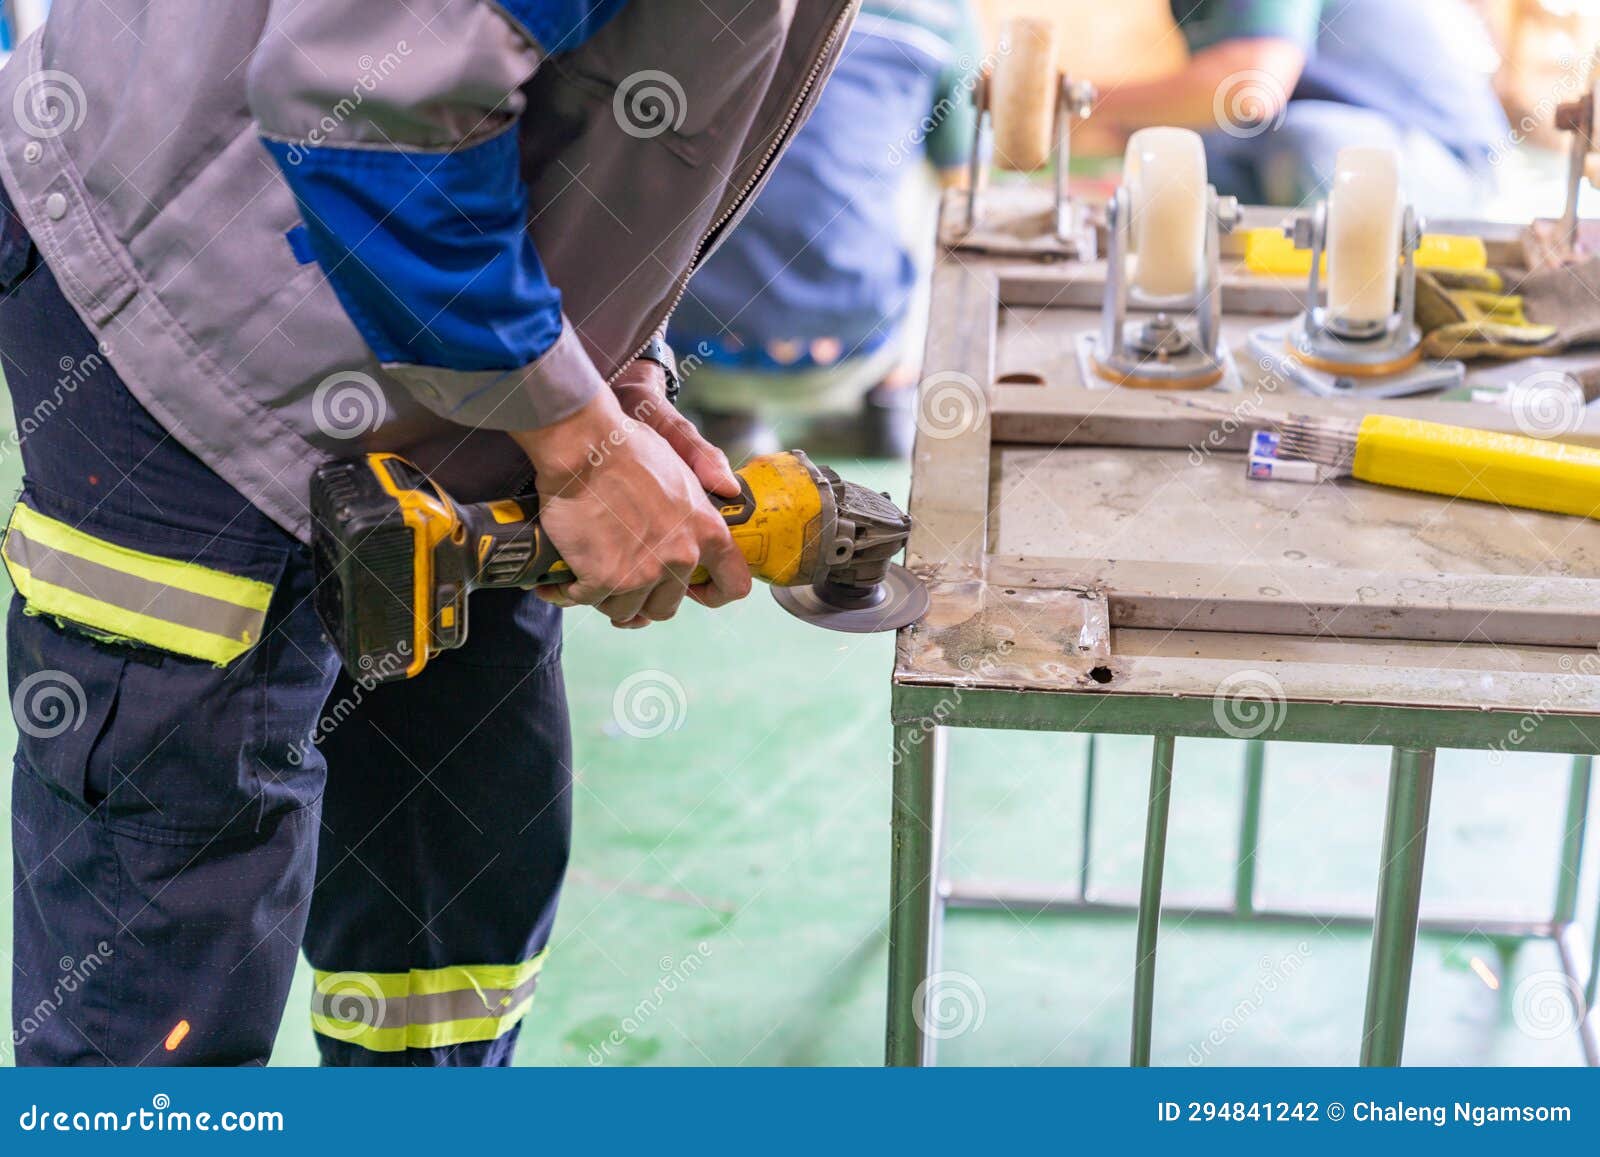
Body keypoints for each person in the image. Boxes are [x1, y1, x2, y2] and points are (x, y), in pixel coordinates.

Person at [0, 0, 856, 1066]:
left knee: (451, 883)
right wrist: (578, 438)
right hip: (189, 323)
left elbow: (598, 79)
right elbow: (358, 102)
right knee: (165, 956)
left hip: (448, 361)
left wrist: (609, 364)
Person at [668, 0, 982, 460]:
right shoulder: (945, 12)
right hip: (854, 343)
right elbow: (966, 184)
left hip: (681, 342)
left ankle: (728, 415)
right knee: (937, 184)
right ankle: (892, 389)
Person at [1093, 0, 1509, 215]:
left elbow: (1250, 89)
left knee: (1315, 149)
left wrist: (1078, 101)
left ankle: (1339, 326)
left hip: (1449, 169)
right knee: (1181, 164)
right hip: (1319, 138)